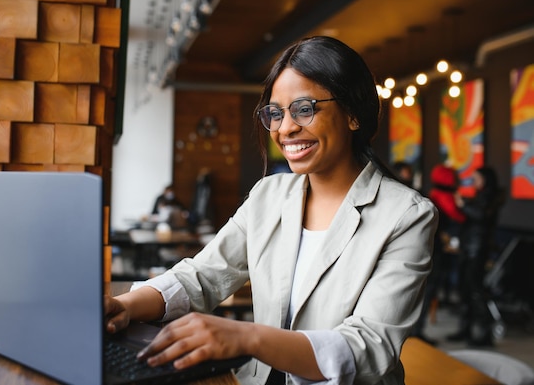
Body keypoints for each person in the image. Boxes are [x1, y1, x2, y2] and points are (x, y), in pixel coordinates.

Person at [105, 36, 437, 385]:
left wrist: (247, 338)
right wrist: (127, 305)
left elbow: (368, 348)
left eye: (304, 108)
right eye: (276, 113)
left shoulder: (407, 215)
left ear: (353, 113)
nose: (285, 128)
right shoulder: (269, 195)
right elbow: (201, 276)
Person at [448, 166, 503, 347]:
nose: (474, 182)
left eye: (476, 178)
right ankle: (466, 330)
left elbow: (481, 216)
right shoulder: (479, 196)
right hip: (468, 247)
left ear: (486, 179)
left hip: (478, 249)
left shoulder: (493, 196)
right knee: (464, 290)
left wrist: (463, 205)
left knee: (476, 291)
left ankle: (486, 334)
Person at [410, 164, 465, 345]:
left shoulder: (433, 194)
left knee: (425, 291)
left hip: (427, 250)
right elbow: (459, 219)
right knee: (428, 290)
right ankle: (417, 332)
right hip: (434, 252)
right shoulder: (445, 199)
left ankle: (416, 331)